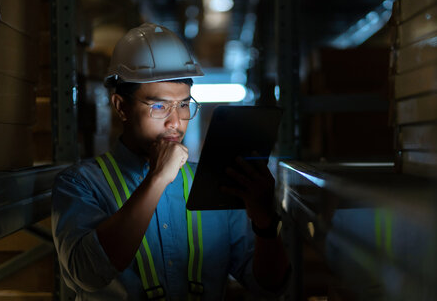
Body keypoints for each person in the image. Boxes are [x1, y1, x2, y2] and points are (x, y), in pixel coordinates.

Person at [51, 23, 290, 300]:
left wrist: (265, 224)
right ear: (121, 106)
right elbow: (88, 275)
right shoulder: (80, 184)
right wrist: (158, 178)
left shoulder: (215, 183)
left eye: (184, 105)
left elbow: (269, 286)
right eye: (158, 106)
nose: (175, 122)